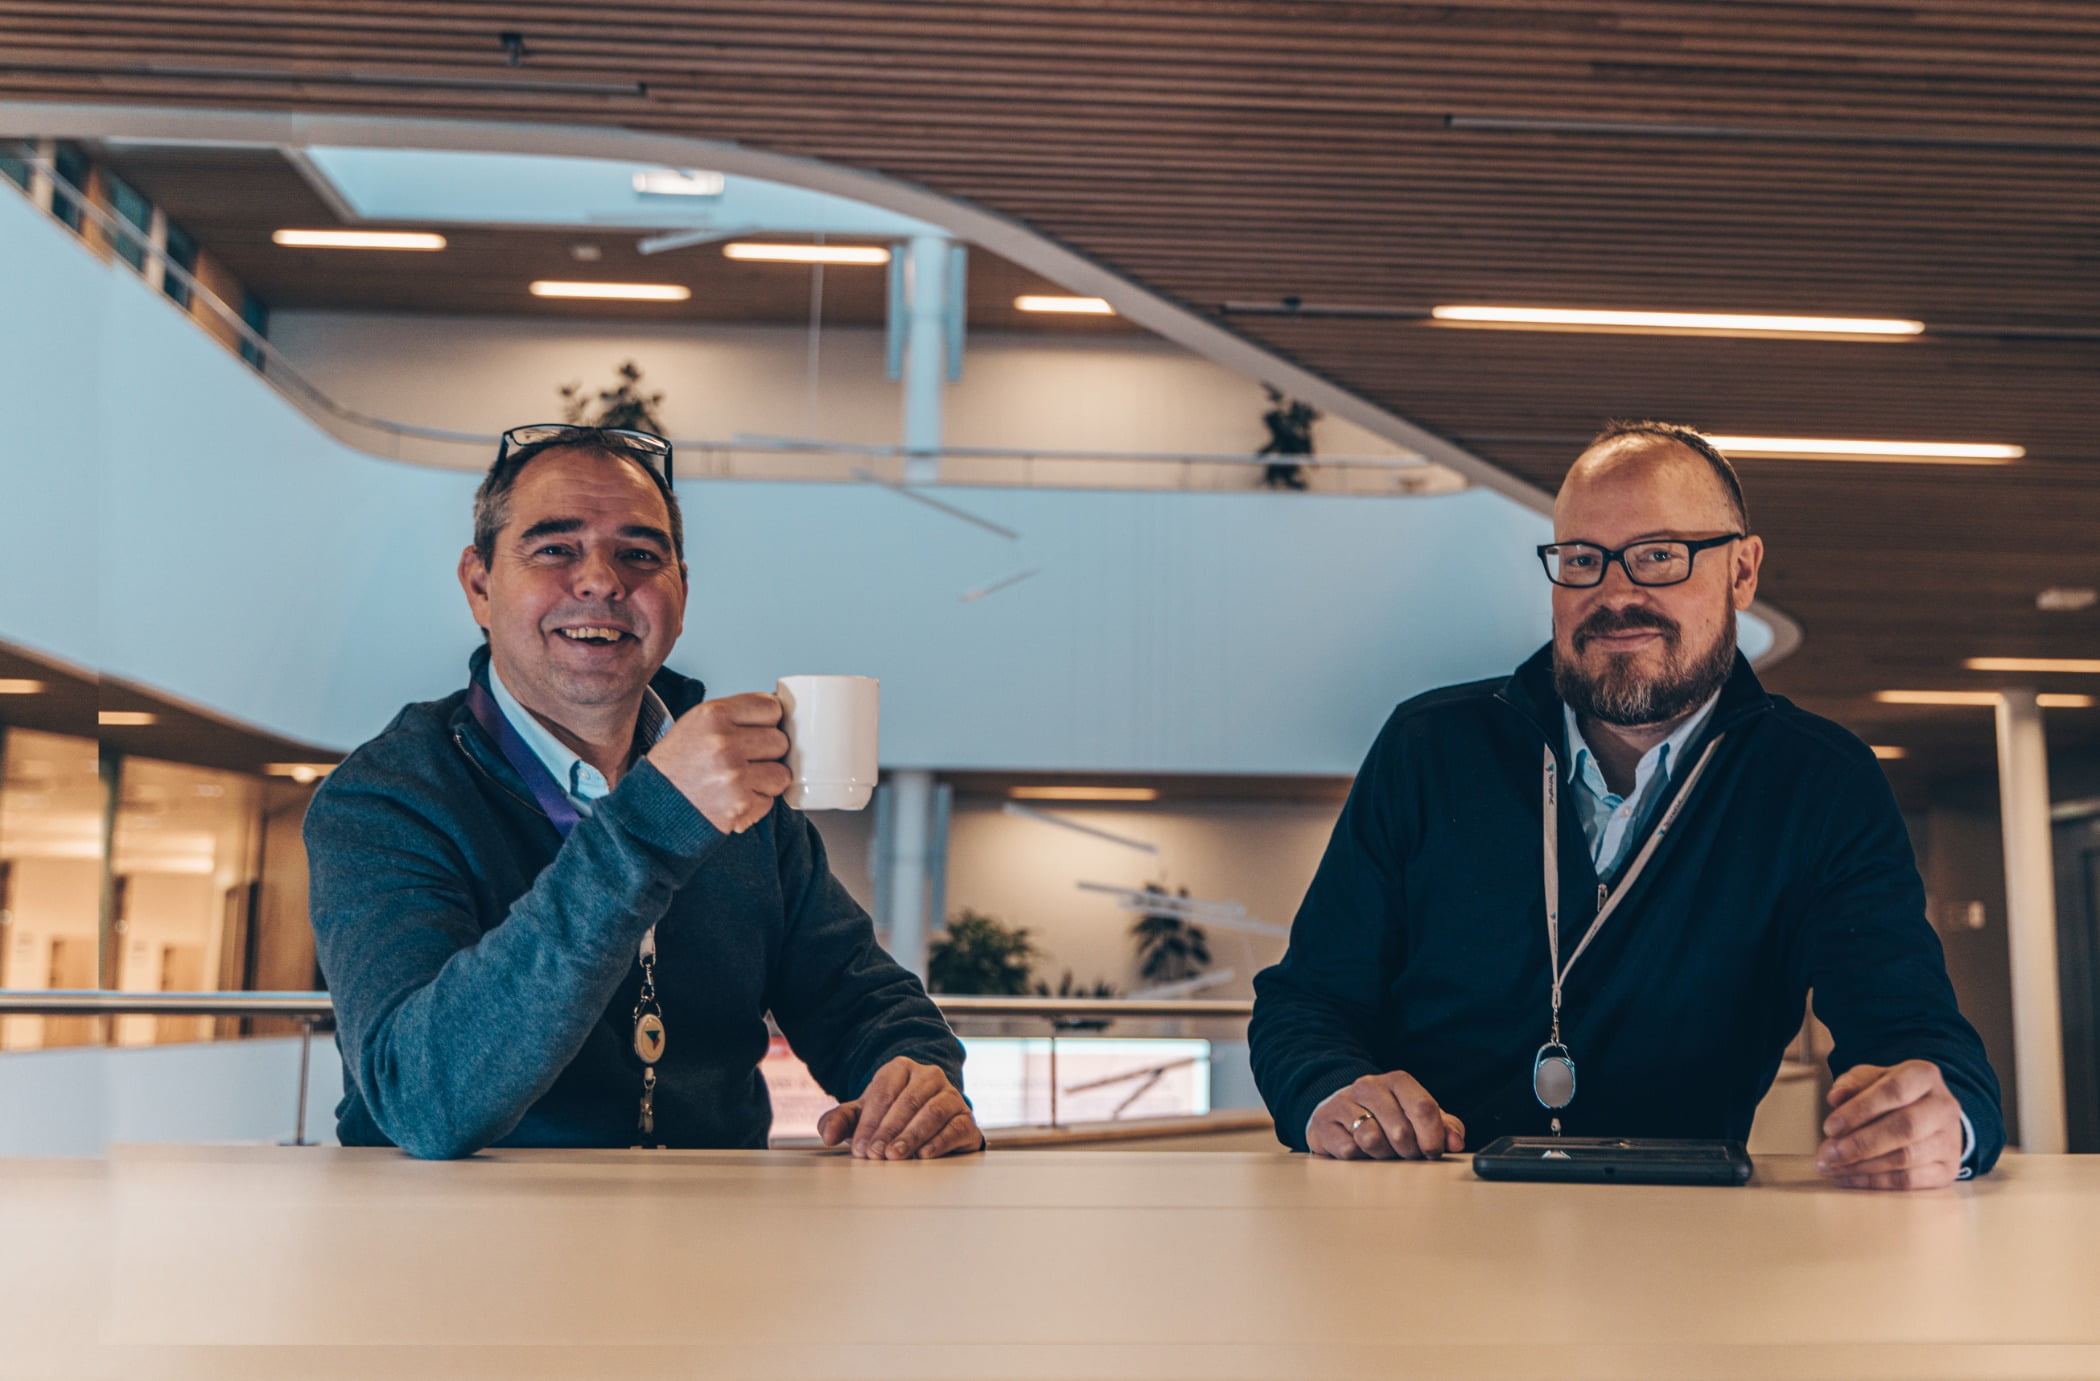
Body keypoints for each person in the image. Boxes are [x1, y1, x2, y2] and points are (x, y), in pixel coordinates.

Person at [1249, 420, 2003, 1189]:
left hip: (1689, 1245)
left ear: (1743, 571)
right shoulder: (1430, 749)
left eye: (1659, 556)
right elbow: (1305, 1001)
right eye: (1582, 560)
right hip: (1427, 1224)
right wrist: (1330, 1089)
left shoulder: (1819, 783)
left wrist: (1944, 1121)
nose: (1615, 593)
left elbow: (1919, 1039)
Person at [306, 424, 981, 1161]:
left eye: (640, 554)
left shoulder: (738, 795)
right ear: (479, 584)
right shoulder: (386, 798)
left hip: (707, 1241)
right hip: (459, 1246)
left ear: (680, 593)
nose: (601, 580)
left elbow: (859, 996)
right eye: (555, 548)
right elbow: (423, 1099)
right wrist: (655, 817)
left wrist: (912, 1078)